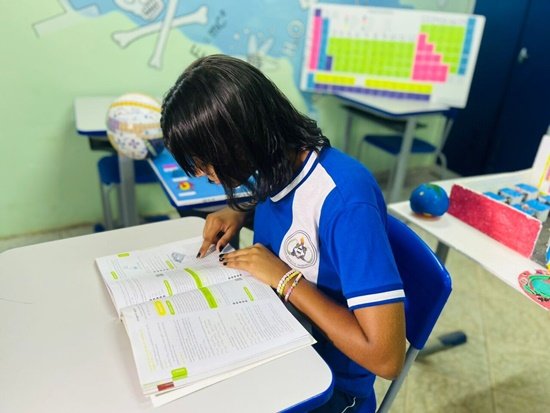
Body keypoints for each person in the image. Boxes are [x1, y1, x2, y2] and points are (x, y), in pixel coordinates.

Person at [161, 54, 406, 412]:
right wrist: (241, 212)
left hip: (328, 384)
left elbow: (386, 358)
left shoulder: (346, 201)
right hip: (277, 336)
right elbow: (292, 210)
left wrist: (286, 279)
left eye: (204, 162)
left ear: (240, 139)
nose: (201, 174)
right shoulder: (274, 165)